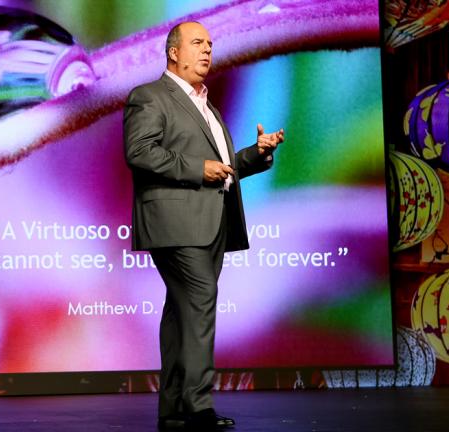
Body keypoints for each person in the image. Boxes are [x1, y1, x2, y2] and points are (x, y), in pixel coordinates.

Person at [123, 21, 284, 430]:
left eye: (210, 44)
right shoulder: (149, 96)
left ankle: (174, 410)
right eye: (197, 43)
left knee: (181, 315)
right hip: (175, 225)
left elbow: (223, 168)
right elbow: (139, 152)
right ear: (173, 52)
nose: (208, 51)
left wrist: (258, 155)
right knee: (198, 309)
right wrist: (198, 169)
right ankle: (198, 408)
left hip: (211, 225)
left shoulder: (209, 108)